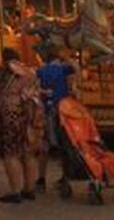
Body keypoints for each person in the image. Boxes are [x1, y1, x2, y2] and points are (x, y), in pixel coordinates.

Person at [0, 48, 44, 204]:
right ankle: (29, 189)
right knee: (29, 152)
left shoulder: (3, 71)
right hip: (30, 114)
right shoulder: (29, 72)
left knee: (11, 153)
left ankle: (15, 191)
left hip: (12, 114)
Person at [34, 45, 77, 190]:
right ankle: (65, 176)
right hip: (62, 110)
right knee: (63, 144)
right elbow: (76, 70)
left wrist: (44, 92)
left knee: (44, 145)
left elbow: (36, 88)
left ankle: (41, 179)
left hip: (47, 109)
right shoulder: (64, 69)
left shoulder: (41, 71)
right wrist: (68, 58)